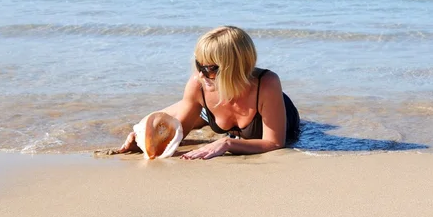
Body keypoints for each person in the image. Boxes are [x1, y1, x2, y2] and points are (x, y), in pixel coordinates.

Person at [118, 26, 300, 159]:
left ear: (234, 67)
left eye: (210, 68)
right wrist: (147, 140)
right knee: (160, 122)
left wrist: (227, 143)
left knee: (193, 111)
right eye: (199, 65)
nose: (201, 74)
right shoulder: (199, 83)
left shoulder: (267, 84)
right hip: (213, 107)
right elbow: (177, 136)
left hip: (272, 110)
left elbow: (275, 143)